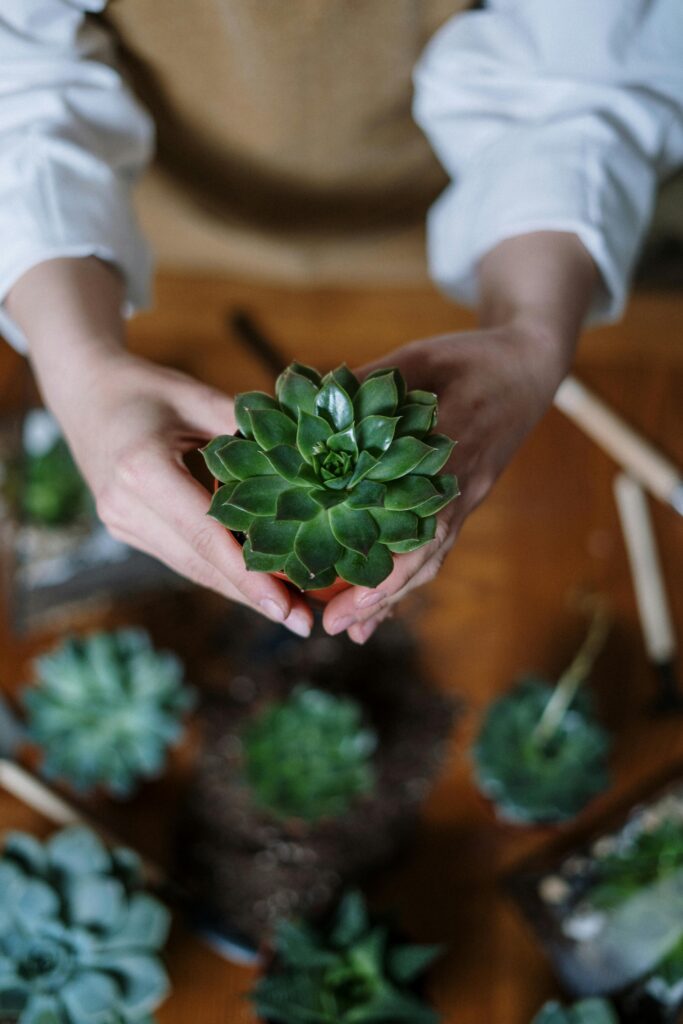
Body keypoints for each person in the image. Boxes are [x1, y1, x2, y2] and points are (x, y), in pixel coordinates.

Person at [1, 1, 681, 643]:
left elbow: (590, 61)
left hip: (458, 211)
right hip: (145, 220)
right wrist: (74, 362)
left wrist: (532, 330)